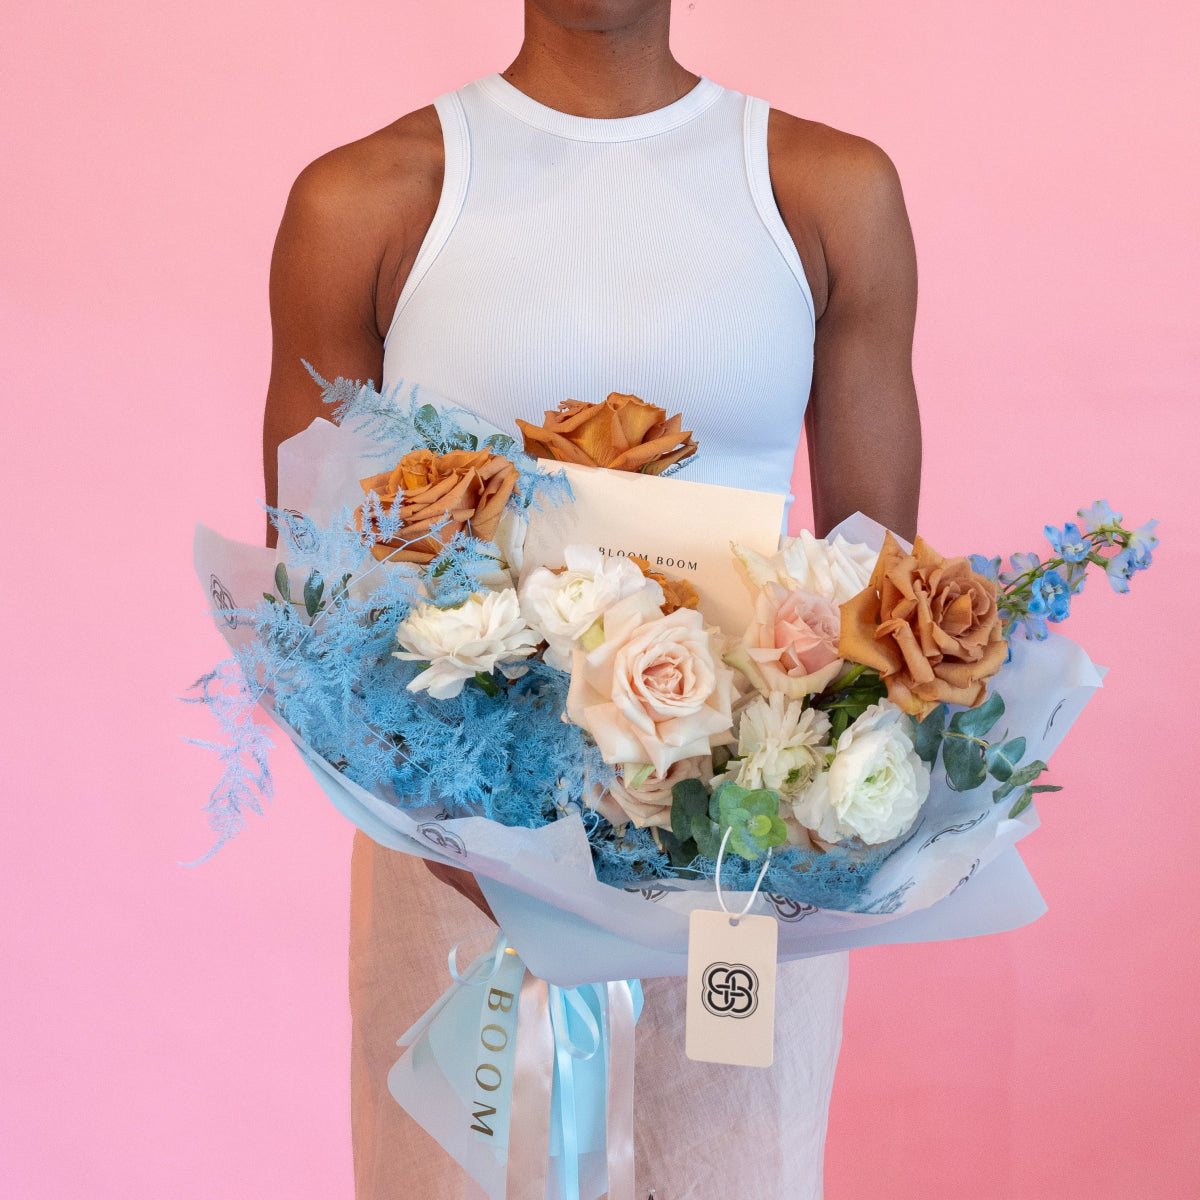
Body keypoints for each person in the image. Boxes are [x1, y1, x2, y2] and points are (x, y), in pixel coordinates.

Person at [263, 2, 920, 1195]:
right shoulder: (364, 201)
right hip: (461, 857)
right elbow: (316, 587)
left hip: (742, 867)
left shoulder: (826, 193)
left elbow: (881, 598)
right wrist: (479, 844)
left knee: (731, 1175)